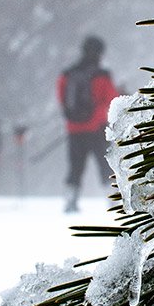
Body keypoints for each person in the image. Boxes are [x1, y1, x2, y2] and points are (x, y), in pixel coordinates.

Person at [57, 35, 119, 213]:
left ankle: (70, 201)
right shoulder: (101, 76)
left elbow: (62, 98)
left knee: (75, 168)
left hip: (74, 129)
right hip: (97, 128)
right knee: (105, 164)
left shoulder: (68, 74)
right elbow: (111, 99)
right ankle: (114, 201)